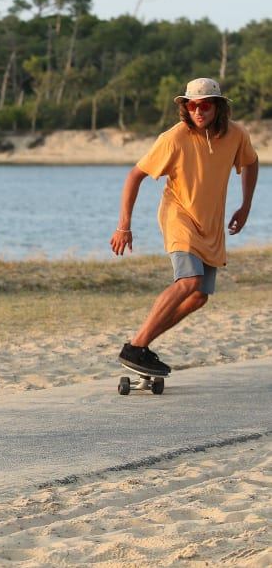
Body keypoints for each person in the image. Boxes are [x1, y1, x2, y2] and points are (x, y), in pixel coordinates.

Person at [110, 77, 258, 376]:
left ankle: (141, 346)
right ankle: (135, 348)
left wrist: (245, 206)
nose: (197, 111)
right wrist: (124, 226)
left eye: (204, 105)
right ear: (185, 108)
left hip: (211, 224)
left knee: (198, 296)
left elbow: (251, 163)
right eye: (191, 105)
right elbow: (134, 176)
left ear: (217, 107)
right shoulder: (174, 138)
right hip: (178, 216)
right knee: (189, 281)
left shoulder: (236, 135)